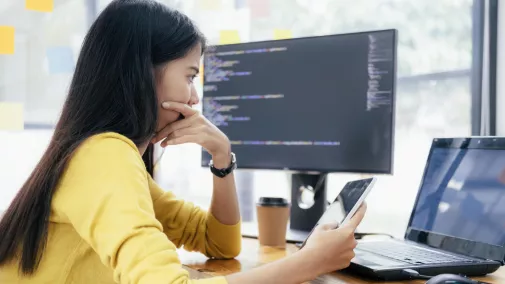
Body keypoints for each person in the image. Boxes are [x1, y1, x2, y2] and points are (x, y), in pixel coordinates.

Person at [0, 0, 367, 283]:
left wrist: (222, 157)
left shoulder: (104, 158)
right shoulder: (103, 156)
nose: (194, 98)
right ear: (143, 72)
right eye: (190, 76)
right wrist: (308, 263)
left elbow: (220, 243)